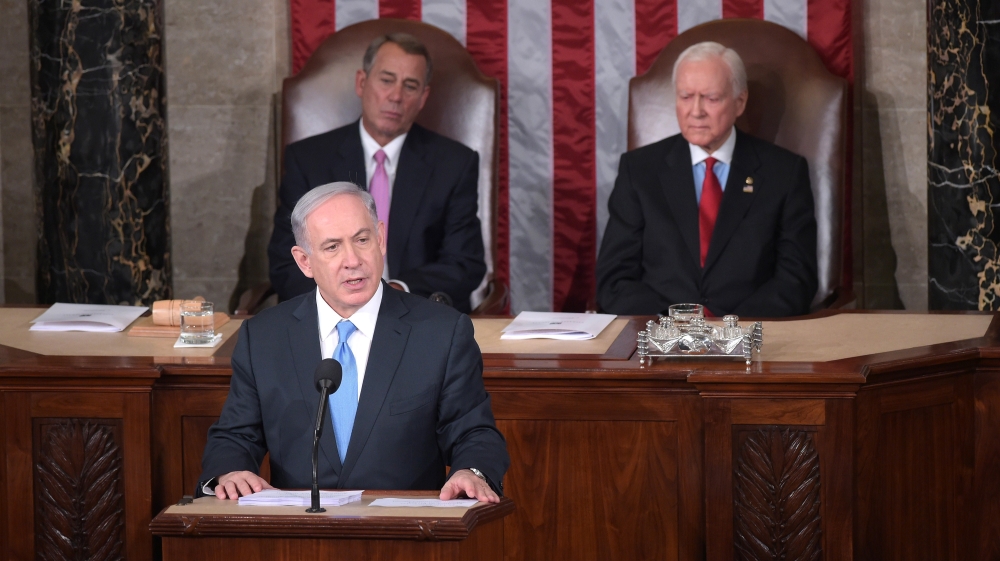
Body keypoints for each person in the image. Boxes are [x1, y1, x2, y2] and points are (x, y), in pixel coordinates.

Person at [201, 182, 508, 502]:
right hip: (301, 527)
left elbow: (474, 432)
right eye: (332, 247)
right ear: (304, 261)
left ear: (380, 238)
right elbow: (235, 436)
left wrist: (471, 471)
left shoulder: (441, 333)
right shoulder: (264, 337)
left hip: (404, 526)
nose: (352, 260)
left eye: (362, 240)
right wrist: (230, 471)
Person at [267, 33, 486, 313]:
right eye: (386, 80)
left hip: (417, 314)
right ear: (362, 82)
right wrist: (345, 300)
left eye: (410, 86)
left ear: (423, 97)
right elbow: (285, 261)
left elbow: (464, 262)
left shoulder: (454, 163)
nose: (396, 96)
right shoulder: (308, 160)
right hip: (332, 314)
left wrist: (394, 293)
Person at [596, 41, 817, 317]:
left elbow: (796, 280)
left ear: (740, 102)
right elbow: (614, 279)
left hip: (751, 333)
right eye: (686, 97)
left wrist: (729, 328)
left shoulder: (783, 172)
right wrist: (676, 325)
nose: (696, 111)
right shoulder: (640, 170)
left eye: (711, 98)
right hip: (661, 332)